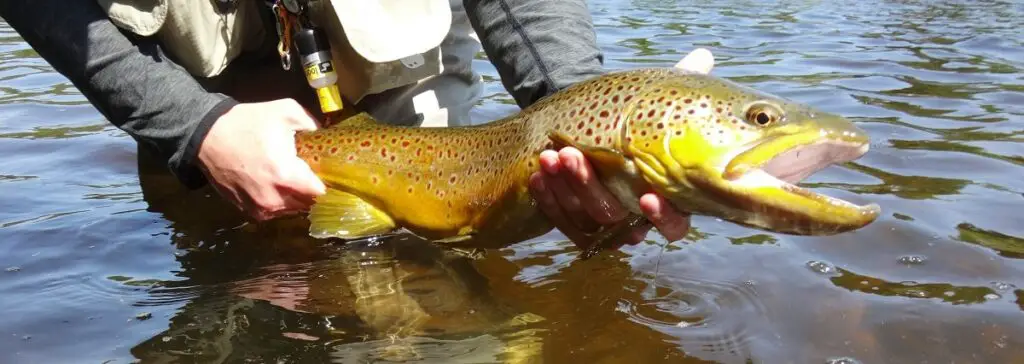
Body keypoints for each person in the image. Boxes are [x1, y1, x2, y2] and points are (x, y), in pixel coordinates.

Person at [0, 0, 699, 251]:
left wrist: (577, 110)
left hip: (393, 61)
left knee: (440, 269)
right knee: (236, 274)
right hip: (184, 65)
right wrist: (194, 128)